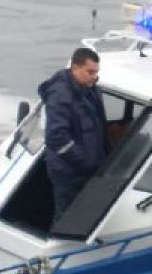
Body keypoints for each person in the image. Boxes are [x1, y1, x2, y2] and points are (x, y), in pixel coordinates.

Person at [38, 47, 109, 226]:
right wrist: (84, 162)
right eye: (90, 72)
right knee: (66, 217)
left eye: (96, 72)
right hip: (70, 172)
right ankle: (57, 249)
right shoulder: (61, 96)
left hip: (89, 168)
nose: (94, 76)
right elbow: (56, 136)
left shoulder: (89, 90)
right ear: (75, 68)